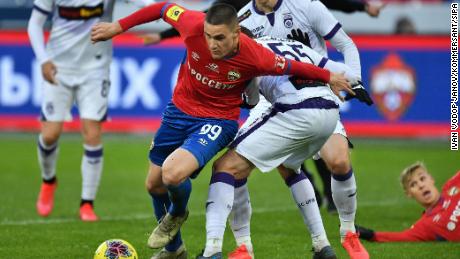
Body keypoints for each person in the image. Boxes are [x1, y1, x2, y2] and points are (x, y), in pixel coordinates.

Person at [91, 2, 352, 258]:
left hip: (217, 121)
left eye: (219, 38)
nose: (211, 44)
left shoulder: (254, 54)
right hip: (177, 112)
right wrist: (118, 26)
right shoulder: (191, 24)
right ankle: (174, 250)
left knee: (172, 175)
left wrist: (329, 76)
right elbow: (161, 8)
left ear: (236, 34)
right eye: (207, 36)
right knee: (154, 185)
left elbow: (291, 66)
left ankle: (179, 213)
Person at [200, 31, 366, 259]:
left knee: (226, 167)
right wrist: (358, 84)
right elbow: (338, 69)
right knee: (289, 165)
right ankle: (322, 244)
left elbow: (253, 100)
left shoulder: (246, 51)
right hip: (329, 112)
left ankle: (222, 250)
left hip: (295, 110)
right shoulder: (292, 44)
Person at [236, 0, 374, 258]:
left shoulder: (306, 6)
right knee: (285, 167)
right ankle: (320, 243)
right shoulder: (242, 19)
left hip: (315, 90)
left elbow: (345, 44)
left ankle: (349, 233)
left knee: (339, 161)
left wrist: (354, 80)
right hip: (270, 100)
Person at [28, 0, 118, 222]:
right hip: (59, 67)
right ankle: (49, 180)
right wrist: (43, 60)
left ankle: (87, 203)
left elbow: (147, 3)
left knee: (92, 133)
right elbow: (34, 24)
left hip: (95, 69)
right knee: (49, 135)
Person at [141, 0, 385, 45]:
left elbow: (328, 2)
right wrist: (163, 36)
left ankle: (326, 185)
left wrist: (363, 6)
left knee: (319, 150)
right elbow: (203, 18)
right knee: (286, 157)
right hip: (267, 74)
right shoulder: (237, 2)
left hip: (300, 66)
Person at [357, 162, 460, 242]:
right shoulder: (425, 225)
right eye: (413, 184)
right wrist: (370, 234)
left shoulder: (451, 186)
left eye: (422, 178)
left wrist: (453, 137)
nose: (421, 185)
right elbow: (400, 237)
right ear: (409, 194)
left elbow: (454, 137)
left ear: (431, 179)